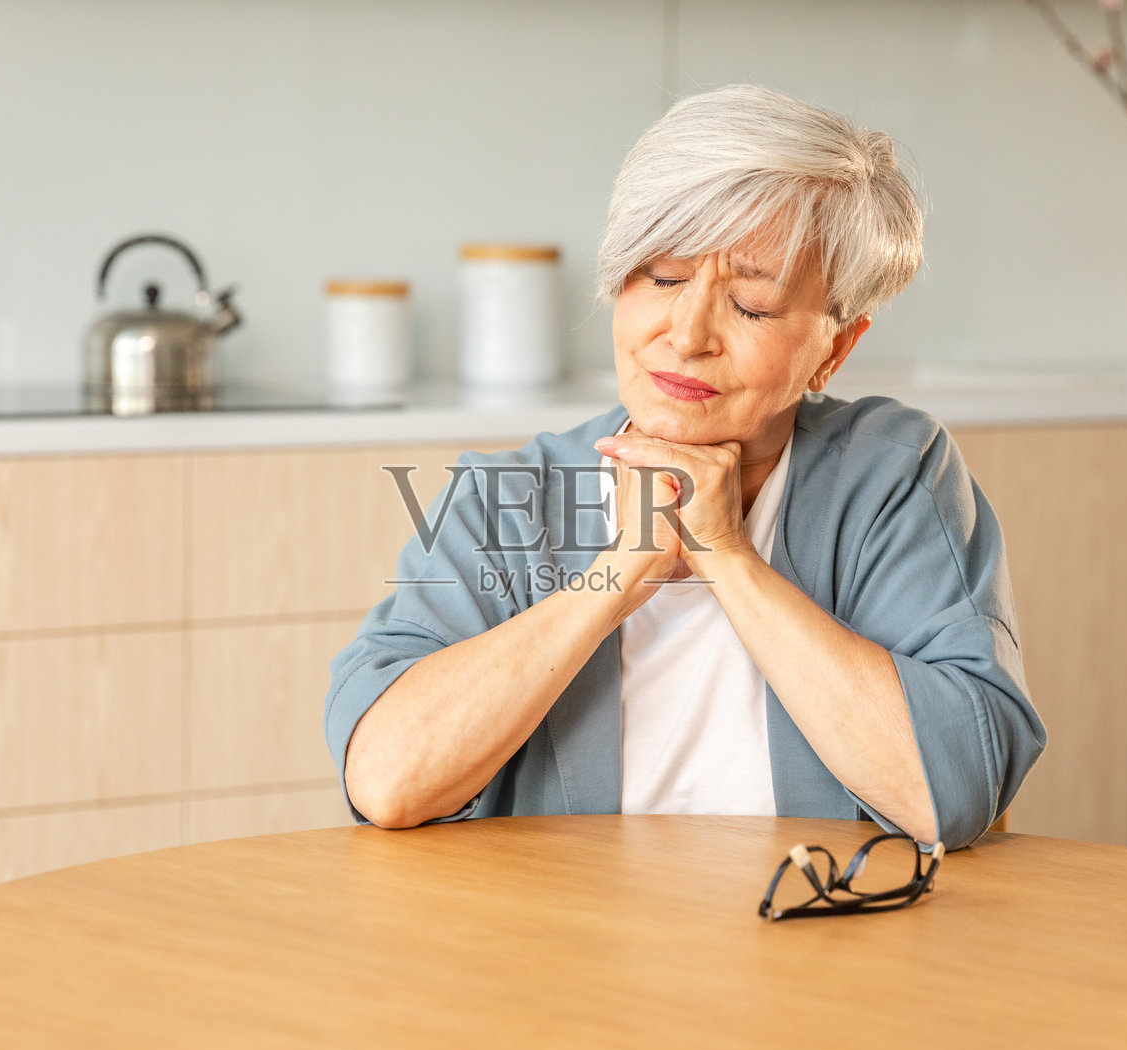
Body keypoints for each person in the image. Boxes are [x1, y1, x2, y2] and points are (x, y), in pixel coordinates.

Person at [325, 84, 1045, 850]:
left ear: (834, 349)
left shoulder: (890, 475)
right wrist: (621, 571)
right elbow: (385, 778)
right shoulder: (511, 499)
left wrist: (726, 554)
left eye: (753, 306)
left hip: (819, 952)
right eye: (663, 278)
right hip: (555, 954)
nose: (688, 331)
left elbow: (955, 787)